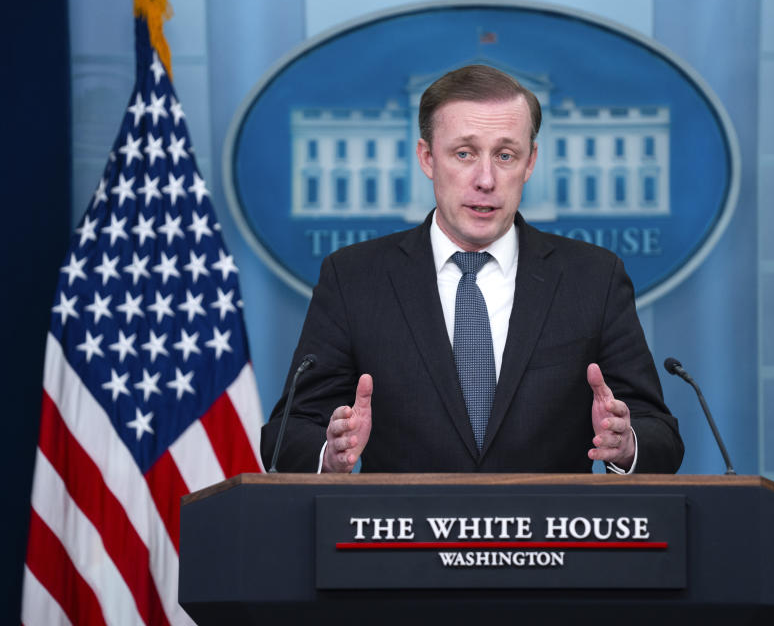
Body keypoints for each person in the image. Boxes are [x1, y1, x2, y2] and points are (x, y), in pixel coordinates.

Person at [260, 64, 683, 474]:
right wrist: (330, 453)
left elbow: (659, 433)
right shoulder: (354, 279)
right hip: (400, 539)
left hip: (550, 540)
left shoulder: (593, 278)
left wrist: (626, 445)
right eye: (464, 153)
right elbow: (288, 433)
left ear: (530, 162)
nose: (486, 179)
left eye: (505, 154)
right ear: (427, 158)